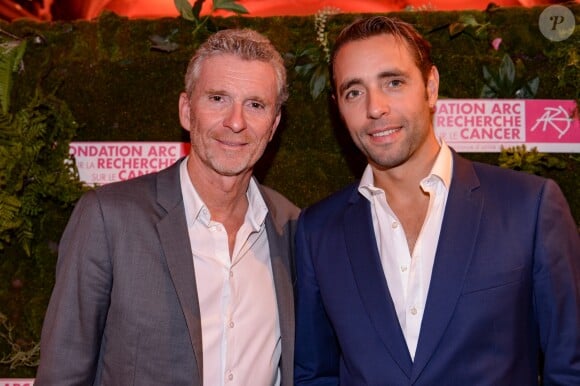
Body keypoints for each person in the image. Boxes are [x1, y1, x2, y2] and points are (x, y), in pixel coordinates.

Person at [294, 16, 580, 385]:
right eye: (354, 92)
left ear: (430, 87)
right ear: (338, 106)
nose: (375, 107)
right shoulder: (318, 231)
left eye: (393, 82)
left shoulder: (529, 207)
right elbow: (316, 375)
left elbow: (571, 368)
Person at [35, 28, 299, 386]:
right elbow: (62, 375)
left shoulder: (292, 227)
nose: (236, 122)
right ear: (187, 111)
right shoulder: (109, 218)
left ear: (274, 125)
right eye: (218, 98)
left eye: (255, 104)